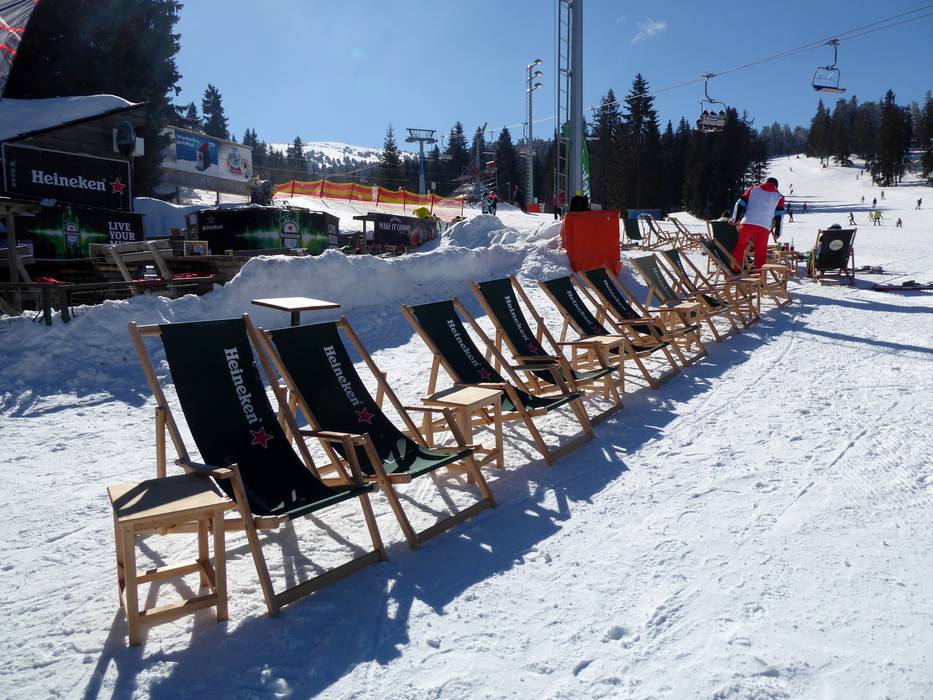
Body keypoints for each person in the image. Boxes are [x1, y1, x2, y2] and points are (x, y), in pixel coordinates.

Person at [729, 176, 785, 271]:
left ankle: (734, 270)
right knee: (760, 251)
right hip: (763, 227)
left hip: (747, 223)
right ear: (776, 186)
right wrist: (777, 232)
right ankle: (759, 275)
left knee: (741, 246)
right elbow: (779, 216)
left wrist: (735, 219)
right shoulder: (779, 197)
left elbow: (740, 203)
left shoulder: (753, 189)